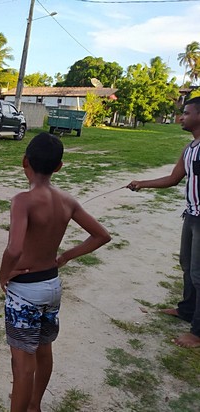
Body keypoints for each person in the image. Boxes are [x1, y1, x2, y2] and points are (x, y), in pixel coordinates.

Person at [0, 133, 111, 412]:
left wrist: (3, 274)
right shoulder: (67, 200)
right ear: (59, 166)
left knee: (23, 364)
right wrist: (64, 257)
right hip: (52, 286)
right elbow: (101, 235)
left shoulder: (22, 200)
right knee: (44, 349)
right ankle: (35, 404)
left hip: (25, 290)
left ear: (24, 161)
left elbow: (14, 249)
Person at [128, 96, 200, 349]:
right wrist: (141, 183)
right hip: (191, 215)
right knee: (187, 266)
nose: (182, 117)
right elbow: (173, 178)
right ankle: (187, 310)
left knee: (199, 273)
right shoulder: (190, 148)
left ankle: (197, 332)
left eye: (187, 113)